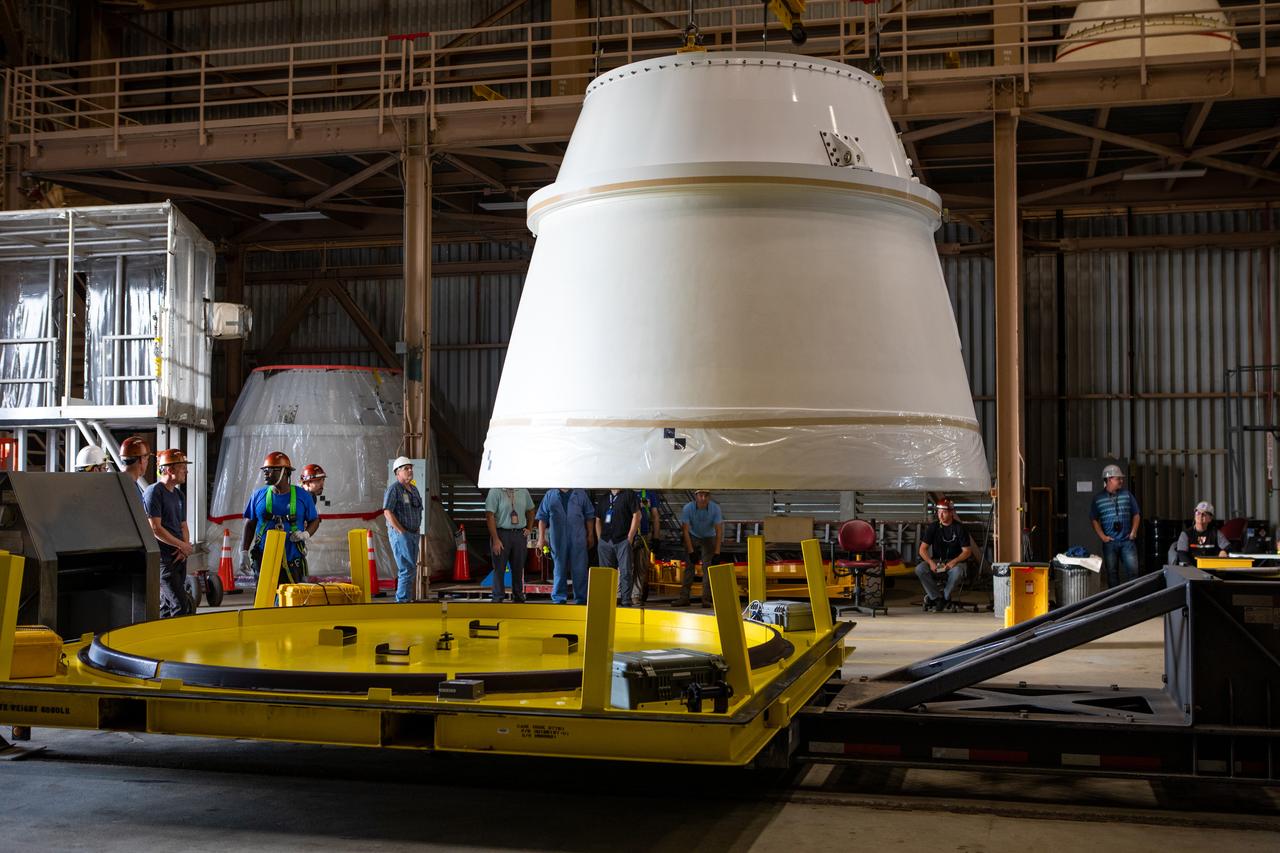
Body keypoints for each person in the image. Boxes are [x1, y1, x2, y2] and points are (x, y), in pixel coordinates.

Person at [240, 451, 318, 587]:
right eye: (265, 470)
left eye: (270, 470)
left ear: (285, 472)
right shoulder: (258, 496)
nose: (266, 473)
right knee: (265, 604)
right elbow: (250, 525)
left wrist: (305, 534)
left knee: (292, 603)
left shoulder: (303, 496)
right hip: (264, 560)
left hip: (293, 561)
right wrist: (244, 552)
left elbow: (314, 520)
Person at [143, 449, 193, 618]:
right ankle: (178, 642)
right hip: (164, 559)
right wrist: (182, 545)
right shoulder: (154, 492)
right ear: (170, 470)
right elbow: (155, 528)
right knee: (180, 603)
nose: (186, 471)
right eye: (182, 467)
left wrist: (185, 547)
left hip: (179, 556)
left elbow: (183, 525)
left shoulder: (179, 495)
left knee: (166, 605)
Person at [535, 488, 595, 604]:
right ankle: (558, 599)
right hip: (558, 539)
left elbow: (589, 516)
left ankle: (581, 599)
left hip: (578, 538)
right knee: (559, 568)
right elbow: (542, 518)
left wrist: (590, 535)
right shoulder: (550, 495)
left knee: (580, 569)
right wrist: (541, 538)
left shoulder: (580, 493)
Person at [914, 497, 972, 612]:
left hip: (956, 563)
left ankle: (944, 597)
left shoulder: (959, 528)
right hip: (937, 561)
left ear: (951, 513)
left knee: (958, 571)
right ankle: (936, 597)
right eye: (939, 512)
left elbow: (967, 551)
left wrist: (953, 562)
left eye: (944, 512)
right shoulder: (933, 527)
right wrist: (931, 563)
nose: (940, 516)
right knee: (920, 569)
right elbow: (922, 549)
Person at [1090, 463, 1142, 587]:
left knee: (1133, 573)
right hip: (1110, 543)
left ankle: (1134, 599)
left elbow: (1136, 514)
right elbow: (1094, 519)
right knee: (1112, 574)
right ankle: (1115, 602)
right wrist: (1102, 536)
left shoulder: (1127, 495)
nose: (1121, 480)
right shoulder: (1098, 499)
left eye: (1121, 478)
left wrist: (1134, 531)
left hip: (1127, 542)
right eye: (1118, 478)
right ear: (1109, 479)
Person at [383, 456, 423, 603]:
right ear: (397, 473)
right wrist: (401, 532)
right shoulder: (394, 490)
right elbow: (387, 512)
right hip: (401, 535)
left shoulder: (414, 489)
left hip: (413, 534)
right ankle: (401, 602)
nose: (410, 470)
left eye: (410, 467)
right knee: (406, 569)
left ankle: (406, 600)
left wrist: (416, 529)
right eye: (406, 468)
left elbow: (418, 510)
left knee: (411, 569)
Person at [484, 487, 535, 603]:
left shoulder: (523, 491)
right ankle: (498, 597)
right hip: (502, 534)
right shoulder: (495, 491)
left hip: (519, 534)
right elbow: (489, 515)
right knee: (499, 568)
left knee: (518, 567)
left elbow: (531, 509)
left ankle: (518, 596)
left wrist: (529, 528)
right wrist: (496, 539)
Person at [675, 489, 723, 608]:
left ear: (709, 497)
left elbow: (718, 530)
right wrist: (691, 551)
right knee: (689, 567)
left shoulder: (715, 508)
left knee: (708, 568)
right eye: (701, 495)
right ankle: (684, 598)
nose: (703, 498)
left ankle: (706, 599)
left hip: (709, 537)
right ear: (696, 496)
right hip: (693, 535)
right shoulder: (688, 508)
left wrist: (717, 552)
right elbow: (685, 530)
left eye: (706, 495)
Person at [594, 489, 642, 607]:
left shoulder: (629, 495)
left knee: (625, 572)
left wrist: (630, 537)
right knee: (606, 573)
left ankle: (626, 600)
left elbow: (637, 515)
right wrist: (600, 540)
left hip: (622, 540)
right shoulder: (604, 498)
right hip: (606, 541)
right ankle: (607, 600)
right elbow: (598, 519)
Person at [632, 488, 663, 605]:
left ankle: (635, 595)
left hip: (643, 535)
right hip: (627, 535)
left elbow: (655, 516)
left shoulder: (649, 494)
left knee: (641, 567)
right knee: (626, 567)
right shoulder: (625, 492)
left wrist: (656, 537)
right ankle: (623, 594)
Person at [1174, 501, 1229, 566]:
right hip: (1191, 570)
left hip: (1212, 570)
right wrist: (1193, 570)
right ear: (1194, 515)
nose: (1200, 515)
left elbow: (1229, 547)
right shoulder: (1185, 534)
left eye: (1204, 514)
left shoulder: (1216, 533)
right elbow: (1182, 555)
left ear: (1210, 518)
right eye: (1198, 513)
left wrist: (1224, 551)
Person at [299, 463, 327, 533]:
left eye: (323, 480)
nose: (322, 484)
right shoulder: (309, 496)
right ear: (308, 483)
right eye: (318, 481)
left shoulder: (302, 495)